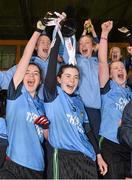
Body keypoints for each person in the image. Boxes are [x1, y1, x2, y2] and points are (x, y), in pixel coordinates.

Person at [42, 22, 107, 178]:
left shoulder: (79, 102)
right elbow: (52, 63)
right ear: (58, 79)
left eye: (76, 77)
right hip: (65, 157)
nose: (72, 80)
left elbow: (88, 131)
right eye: (68, 76)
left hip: (87, 158)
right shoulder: (53, 95)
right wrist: (57, 32)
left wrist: (98, 155)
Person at [0, 20, 49, 179]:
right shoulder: (16, 96)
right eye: (27, 72)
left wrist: (47, 128)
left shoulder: (42, 106)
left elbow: (48, 137)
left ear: (40, 81)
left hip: (38, 169)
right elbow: (26, 57)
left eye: (36, 73)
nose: (31, 75)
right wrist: (37, 31)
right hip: (14, 165)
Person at [98, 20, 132, 179]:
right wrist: (104, 34)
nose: (120, 70)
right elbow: (103, 61)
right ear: (110, 74)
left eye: (122, 68)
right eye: (115, 68)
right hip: (111, 143)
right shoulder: (108, 87)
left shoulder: (130, 93)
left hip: (129, 144)